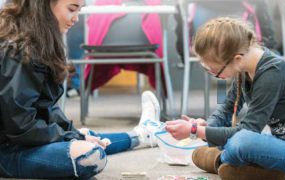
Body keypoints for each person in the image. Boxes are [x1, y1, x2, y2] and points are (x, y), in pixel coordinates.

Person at [0, 0, 163, 179]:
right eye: (72, 9)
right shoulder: (17, 50)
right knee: (90, 155)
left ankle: (142, 134)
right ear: (44, 5)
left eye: (79, 10)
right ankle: (141, 135)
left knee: (85, 136)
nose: (76, 18)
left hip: (20, 141)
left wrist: (72, 134)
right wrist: (69, 136)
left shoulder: (39, 41)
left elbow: (45, 107)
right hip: (7, 150)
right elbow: (21, 126)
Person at [166, 17, 285, 180]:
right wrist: (208, 126)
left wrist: (196, 131)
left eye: (215, 70)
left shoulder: (272, 74)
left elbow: (248, 131)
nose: (214, 74)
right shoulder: (246, 66)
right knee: (233, 140)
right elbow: (226, 107)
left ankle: (222, 160)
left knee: (242, 141)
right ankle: (266, 171)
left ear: (236, 59)